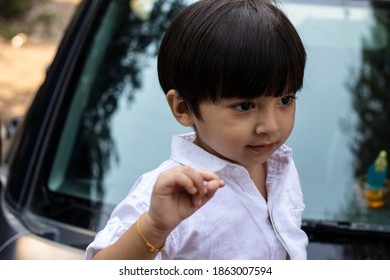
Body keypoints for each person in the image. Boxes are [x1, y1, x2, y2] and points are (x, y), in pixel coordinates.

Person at [85, 0, 308, 260]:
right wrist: (155, 227)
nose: (271, 127)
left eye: (285, 100)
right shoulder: (166, 197)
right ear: (183, 107)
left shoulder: (279, 165)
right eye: (245, 106)